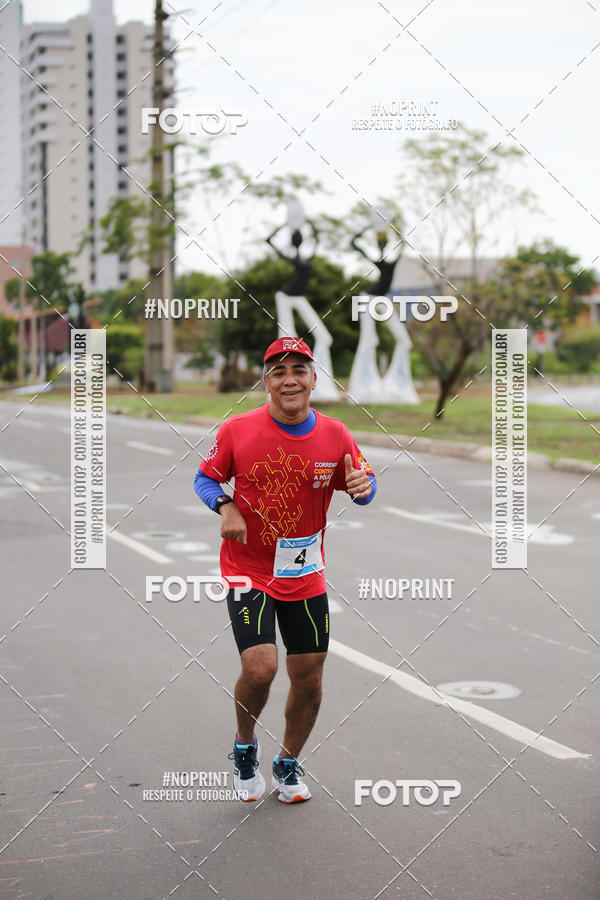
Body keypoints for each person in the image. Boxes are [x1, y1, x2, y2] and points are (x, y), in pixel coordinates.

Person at [193, 337, 377, 803]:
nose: (289, 378)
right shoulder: (237, 430)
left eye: (299, 369)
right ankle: (245, 748)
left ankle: (288, 763)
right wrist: (226, 506)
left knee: (309, 674)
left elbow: (363, 482)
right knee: (261, 669)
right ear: (266, 381)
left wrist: (363, 486)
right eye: (278, 371)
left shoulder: (336, 434)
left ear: (314, 379)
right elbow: (204, 477)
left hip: (305, 571)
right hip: (248, 569)